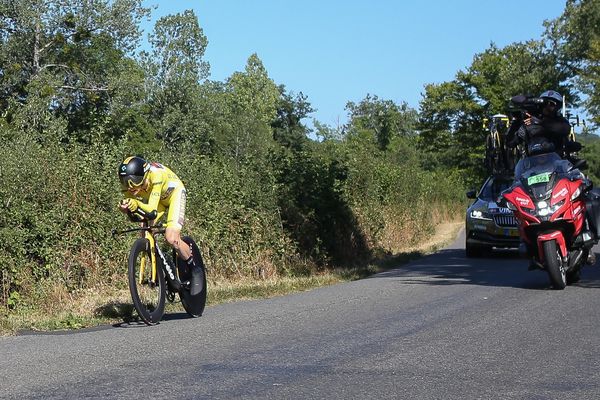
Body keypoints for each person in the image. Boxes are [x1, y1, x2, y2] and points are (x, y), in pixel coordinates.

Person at [118, 156, 203, 295]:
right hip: (158, 200)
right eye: (126, 182)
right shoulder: (129, 186)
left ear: (145, 175)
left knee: (171, 238)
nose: (131, 186)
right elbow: (137, 213)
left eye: (135, 181)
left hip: (174, 195)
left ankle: (194, 269)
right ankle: (159, 268)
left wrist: (136, 204)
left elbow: (151, 210)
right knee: (144, 230)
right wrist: (126, 208)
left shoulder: (156, 176)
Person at [506, 90, 571, 157]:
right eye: (545, 103)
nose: (547, 107)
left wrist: (540, 122)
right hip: (531, 164)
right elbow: (510, 143)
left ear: (558, 107)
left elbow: (565, 129)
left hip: (556, 163)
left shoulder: (560, 121)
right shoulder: (530, 121)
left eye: (552, 104)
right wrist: (517, 122)